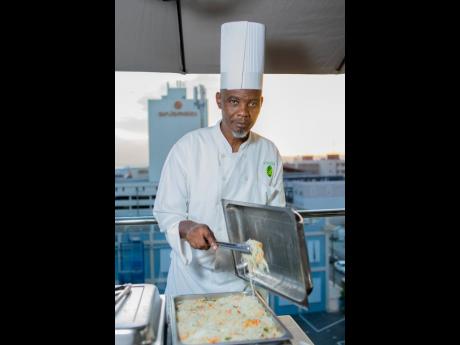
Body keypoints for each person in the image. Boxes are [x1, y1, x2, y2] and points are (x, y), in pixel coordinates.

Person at [153, 21, 285, 296]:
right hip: (193, 282)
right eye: (234, 101)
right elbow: (166, 212)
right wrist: (187, 227)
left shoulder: (268, 152)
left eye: (251, 103)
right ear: (218, 100)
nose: (243, 113)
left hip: (246, 284)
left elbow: (276, 216)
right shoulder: (188, 148)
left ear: (261, 103)